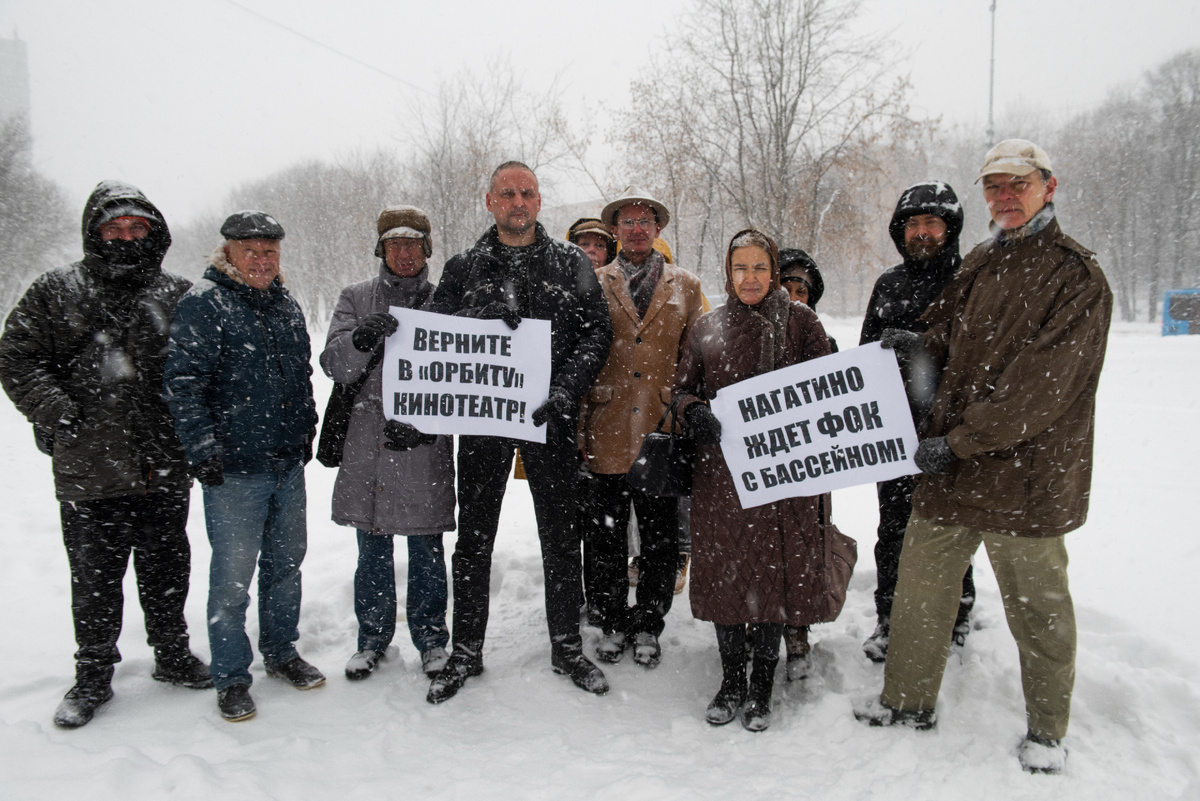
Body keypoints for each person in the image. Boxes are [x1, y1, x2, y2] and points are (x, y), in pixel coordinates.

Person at [853, 140, 1113, 776]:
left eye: (1017, 185)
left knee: (1037, 605)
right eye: (994, 188)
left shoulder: (1075, 277)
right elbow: (946, 331)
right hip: (956, 466)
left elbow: (1039, 390)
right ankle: (908, 699)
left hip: (1026, 474)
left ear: (1047, 186)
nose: (1004, 197)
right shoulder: (982, 260)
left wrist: (958, 441)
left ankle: (1048, 731)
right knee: (920, 585)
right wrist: (917, 343)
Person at [0, 181, 211, 729]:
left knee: (168, 567)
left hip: (163, 461)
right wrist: (56, 411)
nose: (124, 236)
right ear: (95, 233)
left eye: (135, 227)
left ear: (153, 231)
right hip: (90, 466)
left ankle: (171, 653)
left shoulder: (177, 293)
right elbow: (17, 357)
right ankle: (93, 670)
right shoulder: (57, 289)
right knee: (94, 577)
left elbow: (206, 369)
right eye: (113, 228)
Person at [424, 161, 613, 703]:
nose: (518, 202)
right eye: (507, 193)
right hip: (483, 423)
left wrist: (566, 388)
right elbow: (435, 334)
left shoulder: (570, 262)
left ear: (539, 200)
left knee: (559, 537)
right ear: (489, 201)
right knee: (474, 539)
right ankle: (466, 651)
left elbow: (597, 332)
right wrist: (474, 321)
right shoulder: (465, 267)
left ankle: (567, 646)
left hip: (548, 418)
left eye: (527, 192)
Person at [164, 211, 323, 722]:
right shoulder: (204, 304)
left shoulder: (287, 304)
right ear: (227, 252)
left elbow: (299, 373)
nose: (262, 260)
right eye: (251, 251)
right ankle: (231, 675)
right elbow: (183, 382)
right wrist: (203, 446)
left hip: (285, 463)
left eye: (270, 251)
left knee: (285, 568)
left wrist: (307, 425)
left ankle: (281, 652)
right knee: (233, 579)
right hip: (234, 468)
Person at [674, 229, 832, 732]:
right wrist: (693, 411)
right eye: (740, 268)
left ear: (774, 270)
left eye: (760, 268)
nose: (750, 278)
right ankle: (730, 679)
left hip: (784, 478)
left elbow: (831, 387)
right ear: (728, 271)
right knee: (727, 576)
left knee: (772, 578)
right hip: (722, 478)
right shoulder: (708, 327)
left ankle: (762, 681)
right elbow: (679, 392)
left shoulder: (803, 324)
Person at [320, 206, 455, 681]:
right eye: (395, 244)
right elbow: (335, 366)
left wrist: (427, 425)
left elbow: (462, 384)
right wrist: (359, 338)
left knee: (426, 549)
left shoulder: (444, 302)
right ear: (381, 250)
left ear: (427, 250)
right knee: (372, 549)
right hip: (368, 445)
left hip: (423, 449)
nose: (404, 253)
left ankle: (432, 638)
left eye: (413, 244)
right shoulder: (356, 297)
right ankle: (372, 639)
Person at [578, 189, 704, 668]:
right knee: (605, 537)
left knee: (659, 539)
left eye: (644, 221)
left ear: (657, 229)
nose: (635, 229)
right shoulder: (592, 282)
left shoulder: (687, 286)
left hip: (662, 427)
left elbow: (699, 358)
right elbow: (579, 354)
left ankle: (649, 622)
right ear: (615, 230)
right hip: (605, 425)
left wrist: (692, 412)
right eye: (627, 221)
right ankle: (610, 620)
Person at [857, 181, 975, 663]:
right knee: (894, 530)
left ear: (950, 229)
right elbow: (864, 356)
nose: (922, 233)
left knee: (952, 531)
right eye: (913, 225)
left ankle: (955, 617)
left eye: (931, 223)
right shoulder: (888, 285)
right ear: (900, 232)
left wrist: (926, 349)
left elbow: (981, 360)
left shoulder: (971, 280)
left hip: (952, 436)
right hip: (895, 434)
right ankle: (890, 617)